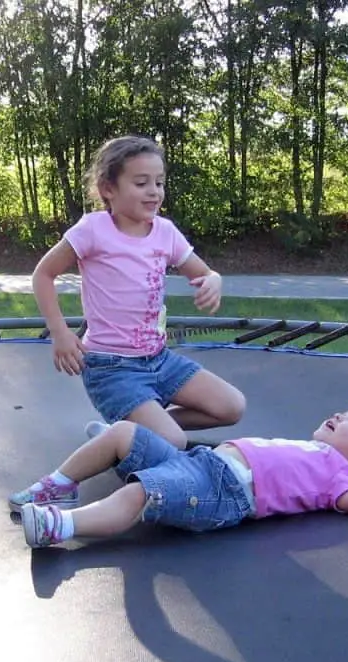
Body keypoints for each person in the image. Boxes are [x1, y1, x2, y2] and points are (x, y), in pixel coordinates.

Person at [31, 135, 245, 450]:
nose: (154, 191)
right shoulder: (93, 229)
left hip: (159, 359)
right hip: (111, 367)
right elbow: (43, 274)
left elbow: (204, 272)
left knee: (231, 406)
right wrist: (60, 333)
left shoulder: (165, 232)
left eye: (159, 183)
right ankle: (133, 435)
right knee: (173, 441)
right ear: (108, 189)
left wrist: (214, 280)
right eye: (142, 183)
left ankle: (130, 428)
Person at [8, 403, 348, 548]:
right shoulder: (314, 449)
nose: (340, 415)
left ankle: (62, 526)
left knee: (142, 493)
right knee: (123, 432)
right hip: (203, 463)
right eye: (347, 411)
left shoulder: (340, 480)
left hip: (219, 494)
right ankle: (59, 483)